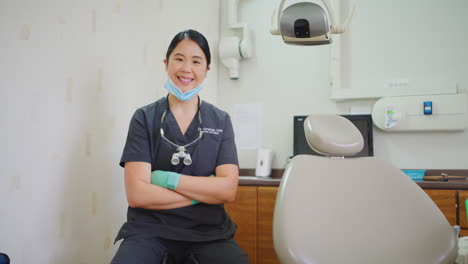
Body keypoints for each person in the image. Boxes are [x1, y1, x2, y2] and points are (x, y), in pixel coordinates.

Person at [111, 29, 249, 264]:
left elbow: (227, 190)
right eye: (179, 58)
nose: (186, 68)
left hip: (209, 233)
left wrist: (166, 179)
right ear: (166, 64)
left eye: (196, 61)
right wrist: (204, 192)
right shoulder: (144, 118)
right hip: (149, 231)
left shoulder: (220, 120)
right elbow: (137, 194)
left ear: (207, 70)